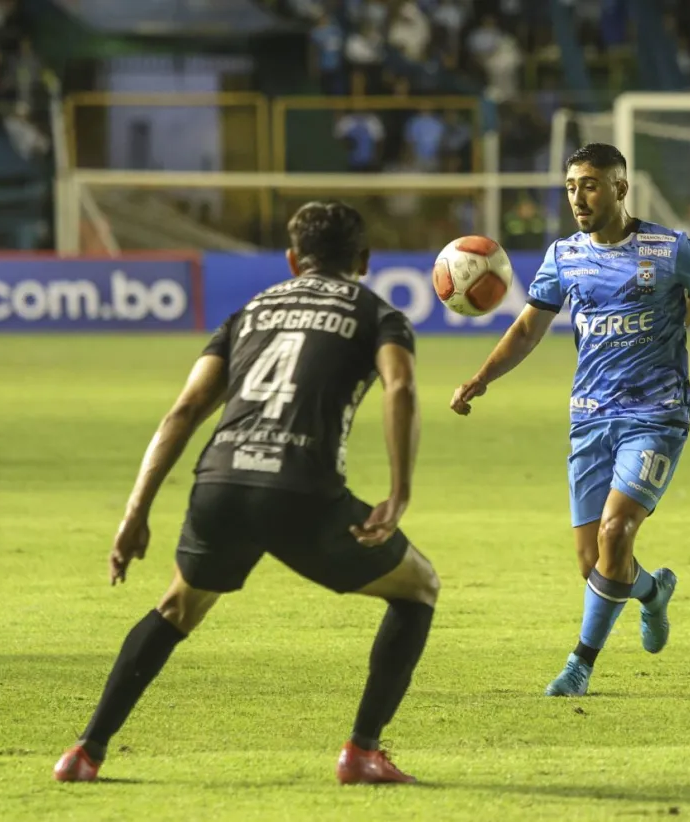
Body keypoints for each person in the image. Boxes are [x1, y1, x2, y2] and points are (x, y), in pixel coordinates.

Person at [53, 201, 438, 786]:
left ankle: (85, 752)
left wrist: (136, 512)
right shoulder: (377, 313)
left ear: (291, 260)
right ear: (364, 260)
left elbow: (183, 411)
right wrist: (400, 491)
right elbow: (402, 386)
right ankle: (362, 751)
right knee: (418, 587)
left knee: (177, 608)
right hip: (300, 491)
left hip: (221, 484)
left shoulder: (249, 312)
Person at [450, 143, 690, 697]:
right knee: (594, 562)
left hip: (656, 416)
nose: (579, 196)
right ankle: (653, 592)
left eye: (592, 184)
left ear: (621, 189)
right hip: (589, 420)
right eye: (573, 185)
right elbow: (529, 328)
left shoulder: (669, 249)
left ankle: (580, 664)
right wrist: (481, 378)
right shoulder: (564, 256)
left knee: (616, 530)